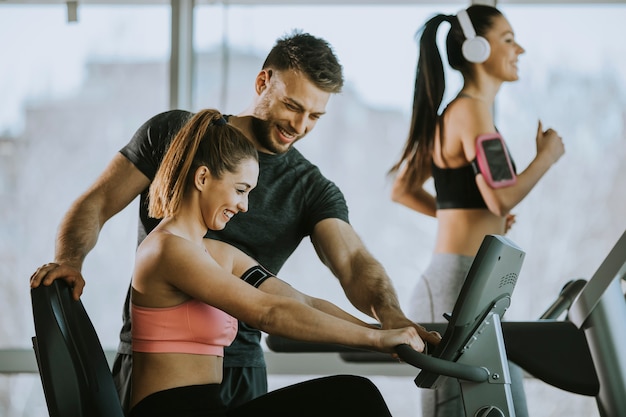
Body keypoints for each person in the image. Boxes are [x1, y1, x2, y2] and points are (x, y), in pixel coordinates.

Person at [30, 30, 441, 413]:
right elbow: (98, 201)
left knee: (353, 396)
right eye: (293, 106)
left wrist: (388, 322)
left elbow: (335, 275)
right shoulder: (177, 154)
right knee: (353, 397)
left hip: (239, 366)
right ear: (263, 82)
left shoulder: (268, 214)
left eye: (315, 116)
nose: (300, 127)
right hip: (162, 380)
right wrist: (70, 261)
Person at [127, 108, 418, 417]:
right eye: (240, 191)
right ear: (202, 177)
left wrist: (384, 332)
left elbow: (299, 301)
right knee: (353, 396)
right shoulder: (167, 250)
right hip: (168, 412)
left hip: (211, 407)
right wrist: (376, 340)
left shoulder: (214, 253)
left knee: (353, 395)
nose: (244, 206)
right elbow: (268, 313)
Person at [388, 5, 565, 417]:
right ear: (477, 47)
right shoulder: (471, 111)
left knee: (504, 403)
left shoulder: (458, 113)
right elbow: (501, 196)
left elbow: (403, 190)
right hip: (456, 284)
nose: (519, 48)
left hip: (470, 280)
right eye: (507, 39)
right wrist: (547, 156)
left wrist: (469, 216)